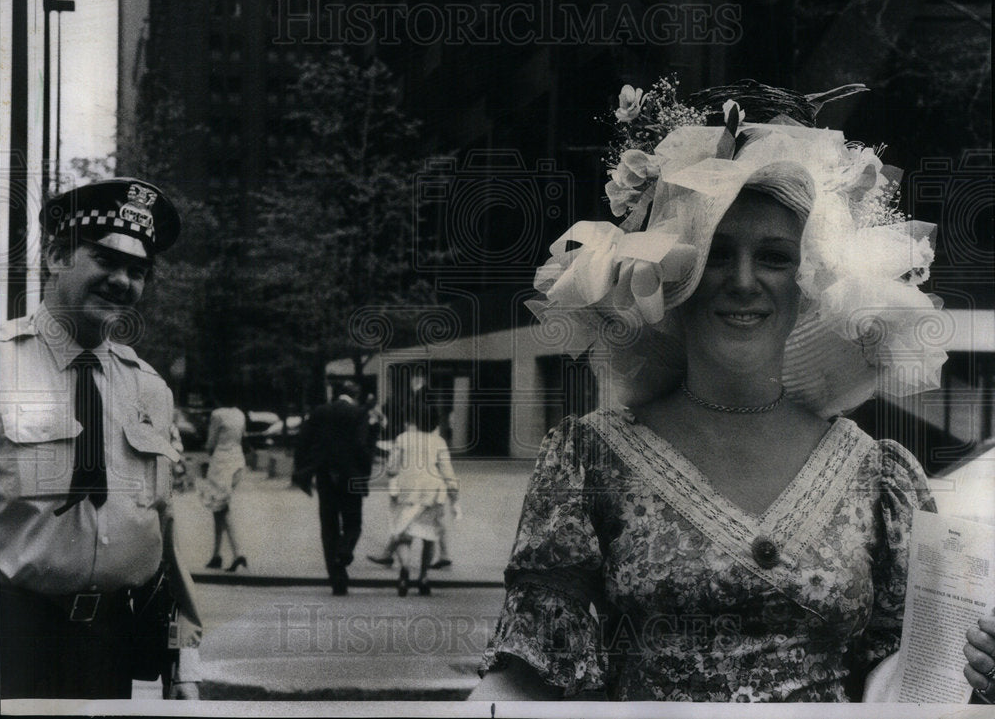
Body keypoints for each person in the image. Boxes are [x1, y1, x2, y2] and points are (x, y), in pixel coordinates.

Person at [471, 81, 995, 702]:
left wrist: (979, 679)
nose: (744, 281)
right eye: (716, 255)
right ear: (670, 276)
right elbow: (529, 674)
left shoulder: (877, 478)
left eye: (773, 256)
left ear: (808, 281)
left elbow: (909, 689)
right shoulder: (589, 460)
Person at [0, 177, 201, 699]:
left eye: (138, 271)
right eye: (106, 261)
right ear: (58, 256)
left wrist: (185, 659)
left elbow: (162, 534)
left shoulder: (149, 388)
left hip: (106, 649)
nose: (122, 282)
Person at [368, 390, 460, 595]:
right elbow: (448, 473)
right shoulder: (439, 442)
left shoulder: (403, 439)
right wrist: (455, 498)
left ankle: (404, 572)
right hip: (432, 494)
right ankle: (424, 577)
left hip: (407, 492)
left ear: (414, 420)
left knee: (404, 535)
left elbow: (391, 468)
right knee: (429, 537)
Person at [292, 379, 372, 595]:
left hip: (325, 474)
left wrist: (303, 471)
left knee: (329, 526)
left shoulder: (320, 412)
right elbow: (361, 445)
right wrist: (365, 472)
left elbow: (303, 441)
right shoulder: (359, 413)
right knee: (353, 522)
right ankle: (345, 550)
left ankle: (337, 579)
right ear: (355, 395)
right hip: (350, 475)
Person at [197, 391, 248, 572]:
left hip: (221, 464)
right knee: (219, 509)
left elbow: (211, 443)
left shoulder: (217, 415)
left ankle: (238, 553)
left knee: (221, 508)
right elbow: (243, 437)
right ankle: (216, 555)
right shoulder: (240, 414)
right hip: (238, 462)